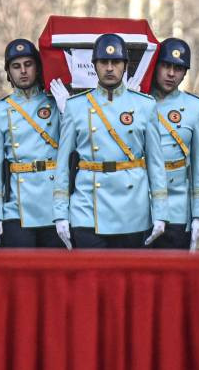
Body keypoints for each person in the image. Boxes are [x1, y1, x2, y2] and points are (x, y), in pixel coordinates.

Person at [52, 33, 167, 249]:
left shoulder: (145, 105)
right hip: (87, 206)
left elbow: (155, 163)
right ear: (94, 66)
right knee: (92, 279)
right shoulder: (76, 106)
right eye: (104, 62)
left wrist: (160, 212)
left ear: (125, 66)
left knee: (127, 280)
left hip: (133, 208)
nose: (110, 68)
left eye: (116, 62)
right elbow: (62, 163)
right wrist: (60, 213)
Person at [0, 39, 65, 248]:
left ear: (38, 67)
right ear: (9, 73)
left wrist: (67, 111)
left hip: (55, 203)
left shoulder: (57, 102)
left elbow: (76, 145)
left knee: (55, 277)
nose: (23, 71)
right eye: (16, 67)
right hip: (16, 207)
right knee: (18, 275)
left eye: (28, 64)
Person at [149, 37, 199, 250]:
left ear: (185, 73)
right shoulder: (138, 102)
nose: (171, 74)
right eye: (166, 66)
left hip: (176, 207)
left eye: (178, 68)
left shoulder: (195, 108)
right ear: (156, 67)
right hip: (140, 205)